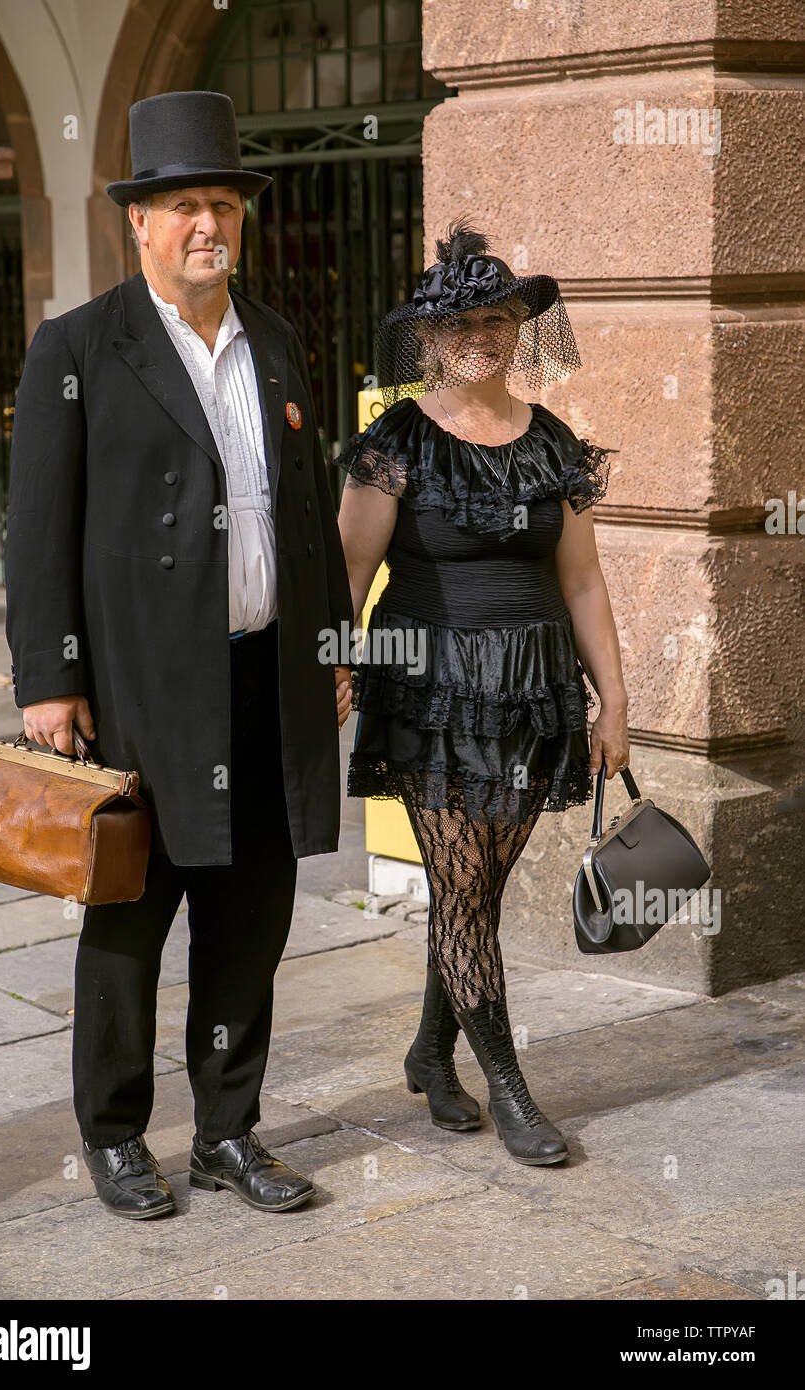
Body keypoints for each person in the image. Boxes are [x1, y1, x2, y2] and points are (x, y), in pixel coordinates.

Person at [4, 91, 354, 1219]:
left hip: (265, 678)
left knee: (251, 920)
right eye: (184, 204)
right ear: (139, 224)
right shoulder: (76, 348)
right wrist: (50, 677)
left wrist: (335, 638)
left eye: (223, 203)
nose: (209, 223)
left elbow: (303, 508)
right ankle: (114, 1137)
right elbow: (36, 527)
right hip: (139, 698)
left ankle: (226, 1132)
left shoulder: (278, 339)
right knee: (130, 917)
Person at [334, 218, 629, 1165]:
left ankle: (429, 1047)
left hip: (533, 690)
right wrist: (337, 664)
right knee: (464, 894)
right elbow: (348, 568)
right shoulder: (396, 441)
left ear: (518, 330)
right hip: (431, 689)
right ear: (427, 339)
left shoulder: (552, 442)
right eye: (459, 324)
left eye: (497, 319)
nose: (479, 337)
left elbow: (582, 580)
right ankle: (509, 1088)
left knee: (475, 890)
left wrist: (613, 699)